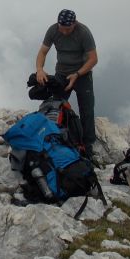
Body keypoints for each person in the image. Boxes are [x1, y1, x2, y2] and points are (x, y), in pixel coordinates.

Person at [35, 9, 98, 157]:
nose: (64, 32)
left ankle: (87, 147)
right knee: (56, 106)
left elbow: (93, 59)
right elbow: (43, 51)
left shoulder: (83, 33)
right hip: (62, 74)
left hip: (82, 74)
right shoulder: (53, 30)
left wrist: (77, 74)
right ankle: (54, 138)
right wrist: (39, 69)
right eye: (61, 28)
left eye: (67, 29)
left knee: (87, 110)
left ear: (74, 24)